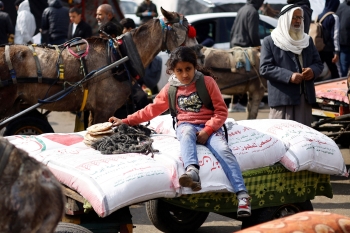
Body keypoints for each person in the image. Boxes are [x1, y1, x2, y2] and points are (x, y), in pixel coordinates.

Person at [109, 46, 252, 218]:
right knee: (185, 135)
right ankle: (192, 171)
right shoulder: (171, 88)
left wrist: (207, 131)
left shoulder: (206, 82)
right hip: (186, 124)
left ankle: (242, 196)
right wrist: (125, 121)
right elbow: (151, 110)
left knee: (224, 150)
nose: (184, 74)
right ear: (172, 71)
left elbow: (221, 112)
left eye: (188, 69)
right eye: (179, 70)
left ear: (195, 67)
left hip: (209, 126)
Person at [259, 4, 324, 127]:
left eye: (300, 18)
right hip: (283, 100)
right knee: (282, 136)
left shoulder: (307, 40)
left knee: (302, 137)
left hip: (304, 100)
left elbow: (318, 64)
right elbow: (265, 68)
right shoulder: (271, 41)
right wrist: (289, 76)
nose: (298, 21)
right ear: (285, 19)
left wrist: (312, 71)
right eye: (294, 17)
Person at [229, 0, 264, 112]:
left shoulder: (242, 9)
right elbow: (253, 33)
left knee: (239, 76)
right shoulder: (253, 11)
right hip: (245, 48)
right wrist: (258, 47)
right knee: (254, 75)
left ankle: (235, 103)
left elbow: (232, 30)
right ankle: (250, 100)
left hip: (235, 46)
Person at [318, 0, 340, 79]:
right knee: (335, 73)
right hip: (329, 49)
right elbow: (335, 35)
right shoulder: (334, 17)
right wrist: (336, 52)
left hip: (319, 48)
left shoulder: (320, 16)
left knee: (316, 70)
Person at [336, 0, 350, 77]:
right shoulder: (342, 6)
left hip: (342, 42)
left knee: (343, 68)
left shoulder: (341, 6)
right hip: (343, 43)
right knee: (344, 69)